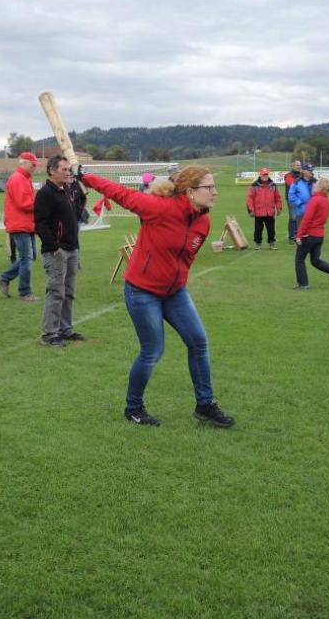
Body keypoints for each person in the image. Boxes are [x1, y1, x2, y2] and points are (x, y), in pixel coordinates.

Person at [79, 165, 235, 428]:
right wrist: (86, 177)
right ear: (190, 191)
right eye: (209, 187)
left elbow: (185, 259)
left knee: (198, 342)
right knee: (153, 350)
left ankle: (205, 405)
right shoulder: (159, 208)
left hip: (174, 293)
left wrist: (177, 281)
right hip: (142, 291)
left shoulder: (203, 221)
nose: (215, 192)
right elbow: (121, 194)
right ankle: (134, 408)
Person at [34, 155, 84, 346]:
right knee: (56, 292)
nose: (67, 172)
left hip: (72, 248)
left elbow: (77, 214)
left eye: (68, 169)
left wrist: (79, 193)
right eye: (64, 169)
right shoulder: (45, 193)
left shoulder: (67, 191)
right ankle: (49, 334)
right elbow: (40, 223)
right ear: (52, 170)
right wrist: (53, 246)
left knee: (69, 291)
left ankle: (65, 329)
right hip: (57, 251)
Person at [0, 152, 39, 302]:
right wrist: (40, 204)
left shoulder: (24, 178)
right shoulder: (18, 179)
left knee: (31, 256)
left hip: (26, 223)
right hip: (20, 224)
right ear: (24, 163)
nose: (35, 167)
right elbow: (24, 203)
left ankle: (4, 278)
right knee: (27, 258)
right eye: (33, 164)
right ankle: (25, 292)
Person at [295, 177, 329, 290]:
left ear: (320, 187)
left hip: (309, 235)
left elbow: (307, 219)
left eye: (316, 184)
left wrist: (299, 235)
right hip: (319, 235)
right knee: (315, 261)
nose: (314, 185)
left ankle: (303, 284)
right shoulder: (326, 201)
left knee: (299, 259)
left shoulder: (315, 200)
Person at [246, 167, 282, 249]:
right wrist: (251, 210)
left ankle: (271, 243)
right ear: (260, 174)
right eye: (263, 174)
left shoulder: (273, 185)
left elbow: (278, 198)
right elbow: (250, 198)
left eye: (266, 174)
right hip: (258, 212)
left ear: (268, 174)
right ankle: (258, 244)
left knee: (271, 230)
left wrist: (279, 208)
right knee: (258, 230)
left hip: (270, 211)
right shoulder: (254, 185)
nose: (265, 176)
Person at [287, 162, 316, 238]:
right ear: (304, 171)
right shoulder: (297, 182)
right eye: (310, 170)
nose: (311, 172)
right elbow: (291, 195)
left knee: (313, 234)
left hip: (314, 211)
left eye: (312, 170)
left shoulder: (315, 182)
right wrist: (299, 203)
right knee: (301, 234)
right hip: (301, 211)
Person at [283, 159, 303, 243]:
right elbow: (292, 185)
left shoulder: (302, 175)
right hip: (292, 200)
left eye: (300, 165)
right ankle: (291, 237)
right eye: (297, 165)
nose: (299, 166)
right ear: (293, 166)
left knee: (300, 217)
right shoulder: (288, 175)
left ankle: (298, 235)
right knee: (293, 217)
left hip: (301, 199)